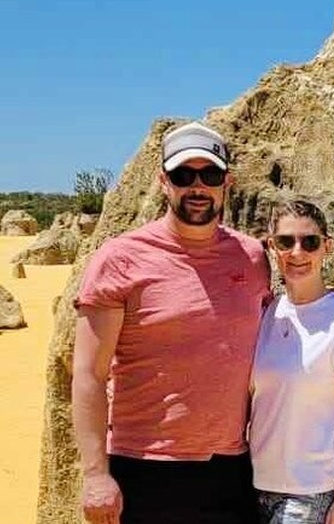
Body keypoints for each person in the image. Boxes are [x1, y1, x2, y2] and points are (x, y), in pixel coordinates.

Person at [72, 121, 272, 524]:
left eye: (210, 175)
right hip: (144, 468)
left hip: (232, 469)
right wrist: (95, 475)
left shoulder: (251, 258)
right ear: (163, 182)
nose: (197, 187)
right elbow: (89, 374)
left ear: (227, 182)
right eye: (183, 175)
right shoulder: (120, 259)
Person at [250, 200, 334, 524]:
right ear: (272, 247)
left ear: (327, 247)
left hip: (309, 496)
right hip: (251, 488)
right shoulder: (267, 314)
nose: (297, 252)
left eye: (309, 242)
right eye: (285, 241)